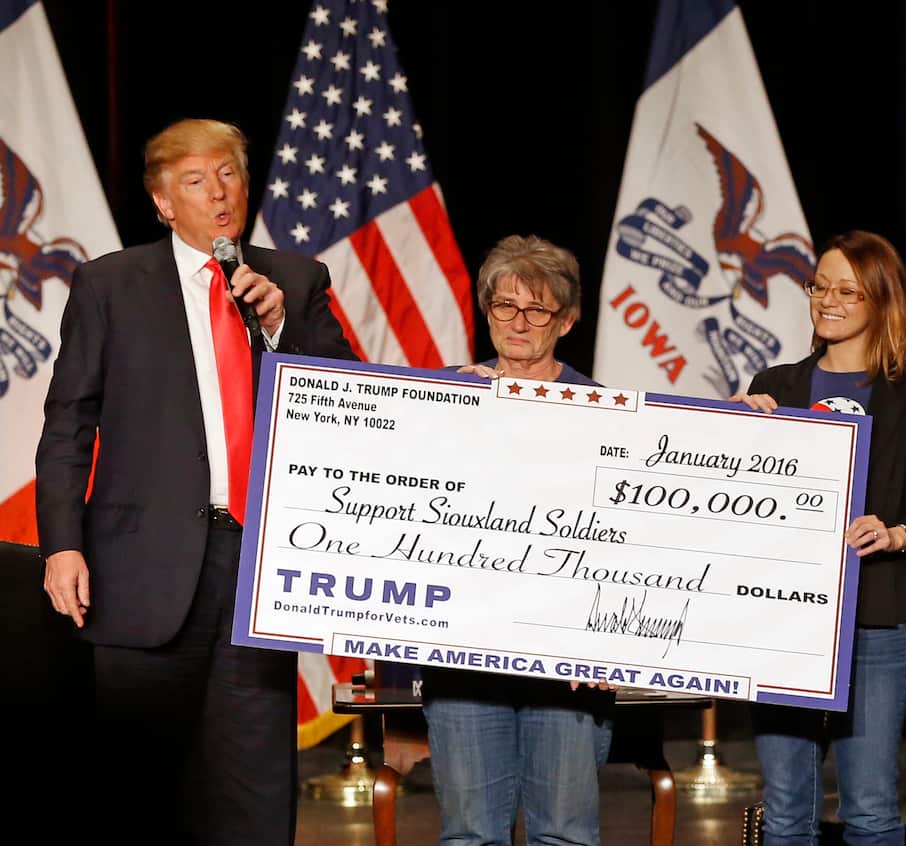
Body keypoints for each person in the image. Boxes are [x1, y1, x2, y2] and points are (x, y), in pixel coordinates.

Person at [36, 118, 355, 845]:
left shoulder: (295, 280)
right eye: (194, 180)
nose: (218, 192)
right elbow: (67, 426)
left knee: (253, 785)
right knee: (139, 790)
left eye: (230, 174)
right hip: (138, 567)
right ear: (161, 202)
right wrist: (62, 543)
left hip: (258, 564)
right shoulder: (110, 283)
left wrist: (280, 332)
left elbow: (349, 410)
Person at [735, 230, 906, 845]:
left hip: (877, 622)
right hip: (784, 625)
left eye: (846, 290)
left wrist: (895, 534)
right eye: (819, 286)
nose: (827, 300)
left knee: (869, 809)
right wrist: (732, 435)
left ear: (880, 300)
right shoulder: (774, 387)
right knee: (784, 813)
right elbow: (739, 506)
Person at [421, 234, 613, 846]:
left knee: (565, 835)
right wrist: (453, 412)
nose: (519, 323)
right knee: (471, 835)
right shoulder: (441, 399)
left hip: (567, 662)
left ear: (568, 319)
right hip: (463, 655)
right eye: (505, 306)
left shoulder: (608, 414)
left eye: (537, 310)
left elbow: (625, 547)